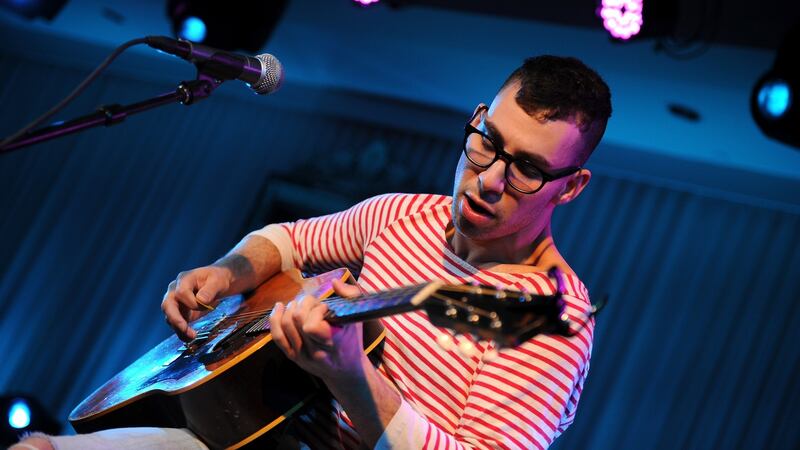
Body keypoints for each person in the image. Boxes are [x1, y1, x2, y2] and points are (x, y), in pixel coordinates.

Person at [13, 54, 611, 450]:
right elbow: (287, 240)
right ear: (477, 120)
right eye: (487, 143)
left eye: (528, 168)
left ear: (572, 186)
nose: (489, 180)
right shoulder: (403, 214)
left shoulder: (551, 321)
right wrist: (226, 273)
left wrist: (351, 374)